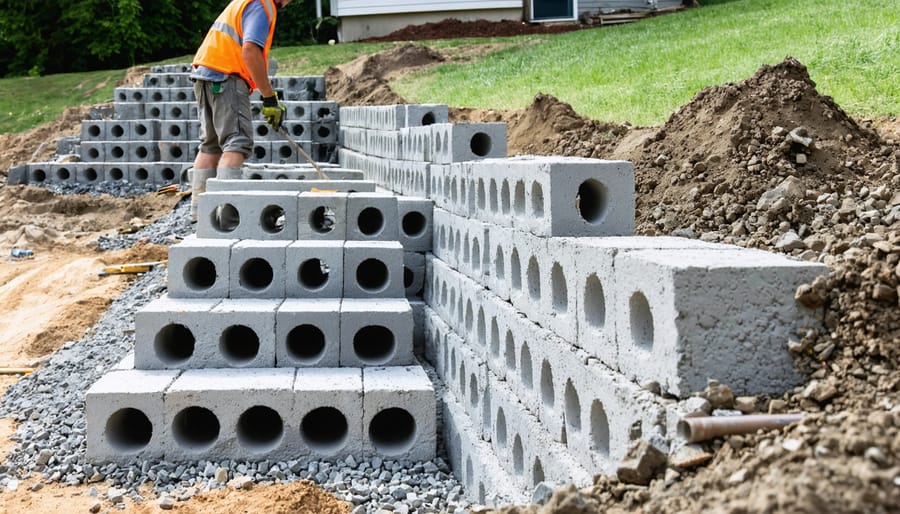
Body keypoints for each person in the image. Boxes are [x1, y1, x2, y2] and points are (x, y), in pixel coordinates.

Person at [189, 0, 292, 221]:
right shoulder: (263, 6)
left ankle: (200, 216)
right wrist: (269, 98)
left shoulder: (244, 2)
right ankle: (226, 220)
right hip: (226, 76)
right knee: (237, 142)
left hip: (205, 74)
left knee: (210, 146)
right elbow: (250, 50)